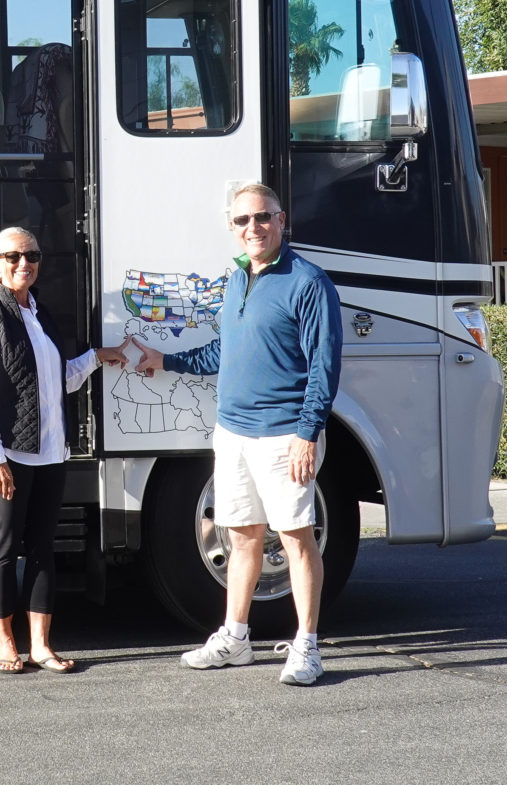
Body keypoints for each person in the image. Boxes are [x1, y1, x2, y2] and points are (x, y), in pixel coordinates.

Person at [131, 183, 342, 686]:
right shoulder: (237, 279)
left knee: (295, 538)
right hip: (233, 433)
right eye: (243, 220)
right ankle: (236, 637)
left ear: (281, 220)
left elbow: (324, 366)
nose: (254, 227)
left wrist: (307, 433)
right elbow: (223, 351)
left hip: (284, 435)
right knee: (242, 536)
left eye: (263, 217)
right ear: (232, 226)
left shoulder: (308, 282)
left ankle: (307, 647)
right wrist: (167, 361)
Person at [0, 227, 128, 674]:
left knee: (42, 549)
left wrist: (97, 356)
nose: (24, 264)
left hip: (52, 452)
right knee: (5, 547)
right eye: (13, 256)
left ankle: (41, 645)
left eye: (32, 255)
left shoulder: (40, 312)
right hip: (10, 454)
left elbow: (58, 381)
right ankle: (5, 644)